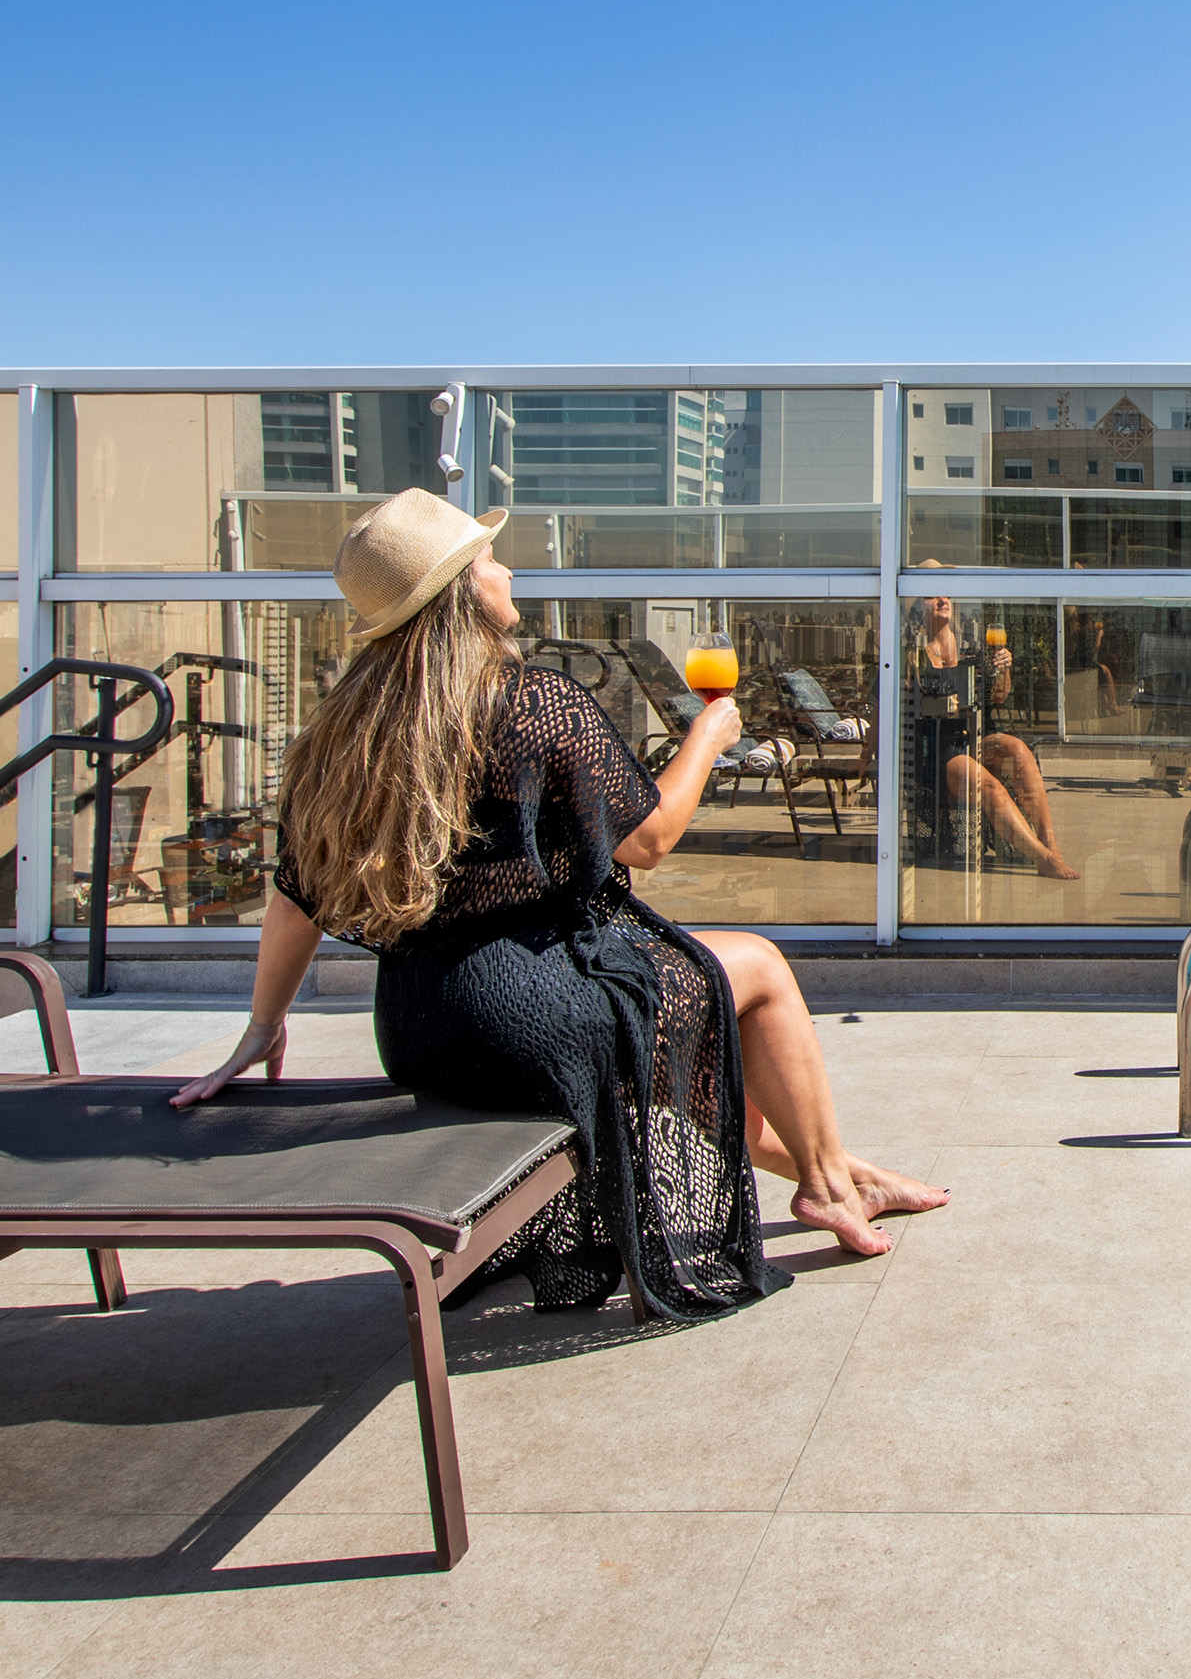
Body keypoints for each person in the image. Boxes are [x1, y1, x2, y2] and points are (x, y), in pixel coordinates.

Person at [171, 490, 942, 1313]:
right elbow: (647, 839)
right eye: (488, 560)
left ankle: (845, 1173)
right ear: (463, 591)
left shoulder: (345, 731)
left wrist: (262, 1026)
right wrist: (706, 738)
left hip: (417, 1027)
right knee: (754, 967)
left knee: (656, 1026)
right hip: (524, 1010)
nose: (506, 571)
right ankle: (828, 1185)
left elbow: (294, 899)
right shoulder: (532, 702)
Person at [904, 581, 1078, 879]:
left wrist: (1004, 668)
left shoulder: (972, 647)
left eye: (946, 594)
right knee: (990, 786)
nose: (942, 599)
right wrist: (867, 754)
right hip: (939, 748)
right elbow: (887, 705)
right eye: (932, 595)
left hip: (977, 736)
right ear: (919, 608)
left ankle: (1051, 845)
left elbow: (998, 696)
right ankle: (1043, 858)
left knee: (1018, 750)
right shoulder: (913, 655)